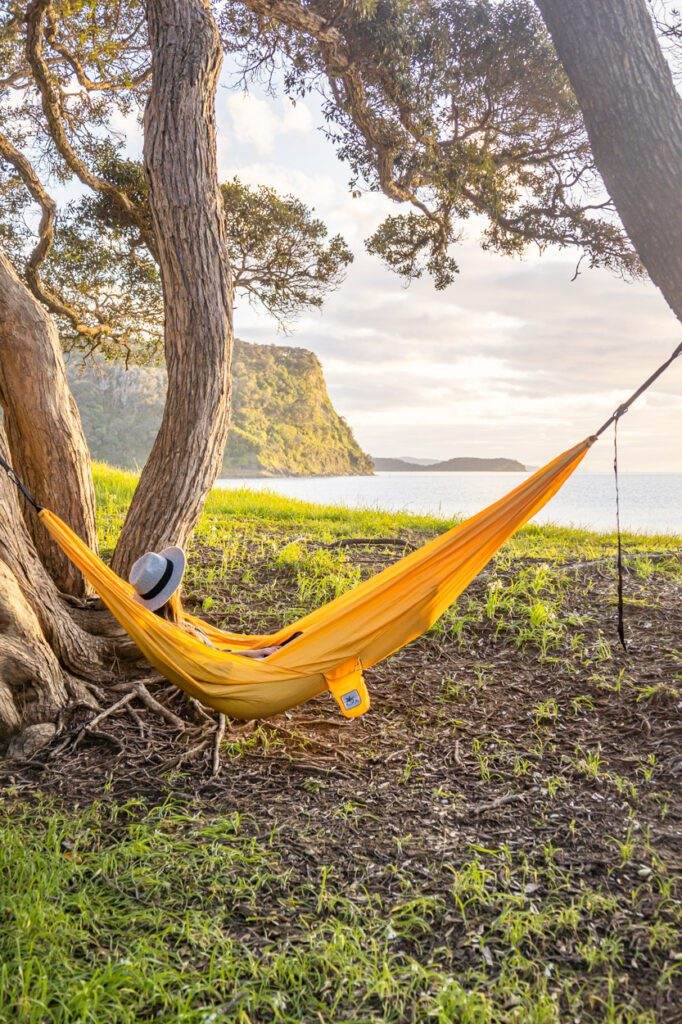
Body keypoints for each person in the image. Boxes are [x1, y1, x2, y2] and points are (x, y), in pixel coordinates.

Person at [129, 547, 280, 659]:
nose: (181, 586)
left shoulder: (165, 625)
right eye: (178, 584)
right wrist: (256, 654)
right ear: (173, 594)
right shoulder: (178, 634)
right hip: (232, 672)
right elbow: (217, 660)